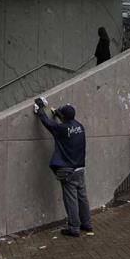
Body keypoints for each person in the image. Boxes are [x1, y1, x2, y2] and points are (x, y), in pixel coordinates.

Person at [33, 97, 93, 237]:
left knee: (71, 199)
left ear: (63, 117)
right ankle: (87, 224)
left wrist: (40, 108)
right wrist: (59, 115)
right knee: (82, 197)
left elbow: (48, 123)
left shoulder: (61, 128)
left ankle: (74, 228)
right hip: (80, 168)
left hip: (67, 170)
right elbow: (66, 127)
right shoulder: (80, 126)